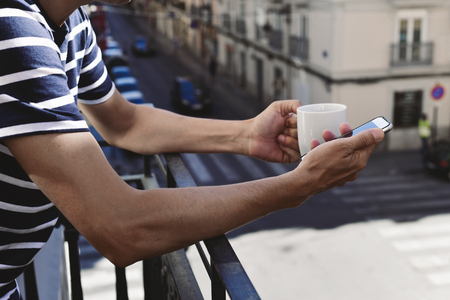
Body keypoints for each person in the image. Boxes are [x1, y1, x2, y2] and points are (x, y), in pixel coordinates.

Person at [0, 0, 384, 299]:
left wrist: (247, 135)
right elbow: (120, 226)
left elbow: (124, 122)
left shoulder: (71, 24)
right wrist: (300, 185)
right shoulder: (12, 30)